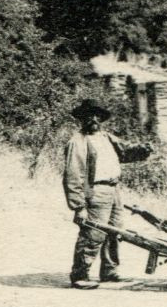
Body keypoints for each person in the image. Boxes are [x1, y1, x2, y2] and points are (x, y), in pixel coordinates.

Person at [63, 99, 149, 290]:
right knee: (93, 234)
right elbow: (73, 175)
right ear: (82, 119)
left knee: (115, 232)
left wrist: (143, 150)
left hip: (114, 190)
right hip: (95, 191)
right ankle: (80, 274)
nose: (93, 119)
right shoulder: (77, 142)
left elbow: (125, 152)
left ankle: (109, 272)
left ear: (101, 118)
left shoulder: (106, 137)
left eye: (97, 116)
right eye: (88, 116)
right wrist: (79, 206)